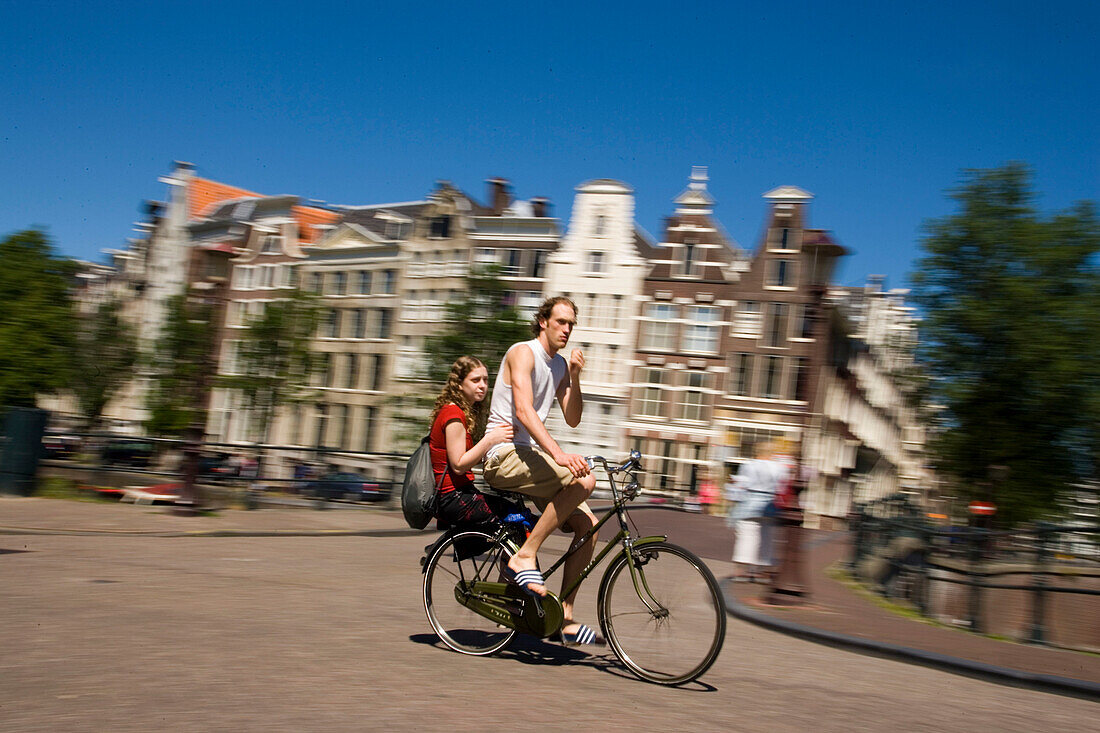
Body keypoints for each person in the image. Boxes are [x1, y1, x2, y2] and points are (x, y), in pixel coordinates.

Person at [482, 296, 602, 646]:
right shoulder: (522, 352)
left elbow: (573, 418)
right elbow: (522, 411)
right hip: (502, 454)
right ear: (543, 322)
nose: (567, 329)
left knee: (588, 527)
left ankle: (564, 615)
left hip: (529, 458)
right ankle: (525, 556)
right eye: (561, 322)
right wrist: (559, 455)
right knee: (586, 480)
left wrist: (575, 376)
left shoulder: (561, 366)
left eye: (571, 324)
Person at [428, 356, 514, 529]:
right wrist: (490, 439)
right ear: (459, 384)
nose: (482, 385)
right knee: (515, 516)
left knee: (511, 520)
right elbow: (459, 465)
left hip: (460, 493)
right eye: (475, 380)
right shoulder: (454, 415)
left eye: (485, 380)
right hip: (452, 497)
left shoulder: (459, 412)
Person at [725, 441, 790, 582]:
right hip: (770, 504)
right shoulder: (780, 468)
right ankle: (763, 570)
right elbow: (782, 487)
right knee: (767, 536)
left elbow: (742, 485)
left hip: (750, 502)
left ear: (757, 451)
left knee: (747, 534)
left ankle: (743, 570)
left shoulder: (749, 465)